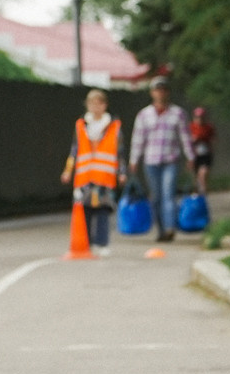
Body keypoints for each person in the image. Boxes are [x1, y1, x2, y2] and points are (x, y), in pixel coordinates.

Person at [127, 76, 192, 244]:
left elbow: (185, 137)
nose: (160, 93)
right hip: (151, 160)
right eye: (157, 89)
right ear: (152, 93)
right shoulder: (144, 115)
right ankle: (161, 229)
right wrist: (134, 160)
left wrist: (190, 157)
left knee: (168, 194)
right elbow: (138, 139)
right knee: (156, 196)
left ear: (167, 92)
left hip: (171, 158)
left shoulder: (178, 113)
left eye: (163, 89)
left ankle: (170, 228)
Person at [60, 87, 121, 255]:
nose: (95, 107)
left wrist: (122, 172)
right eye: (92, 103)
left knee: (102, 210)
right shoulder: (81, 125)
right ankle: (86, 242)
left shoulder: (113, 125)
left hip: (104, 176)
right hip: (84, 176)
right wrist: (67, 171)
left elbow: (119, 150)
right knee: (84, 210)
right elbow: (74, 149)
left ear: (105, 105)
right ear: (87, 105)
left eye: (99, 103)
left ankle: (102, 243)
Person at [189, 106, 216, 199]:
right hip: (194, 155)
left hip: (206, 154)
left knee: (203, 174)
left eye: (201, 117)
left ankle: (204, 194)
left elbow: (214, 139)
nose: (199, 119)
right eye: (197, 117)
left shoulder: (208, 127)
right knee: (196, 176)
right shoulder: (191, 127)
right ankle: (197, 194)